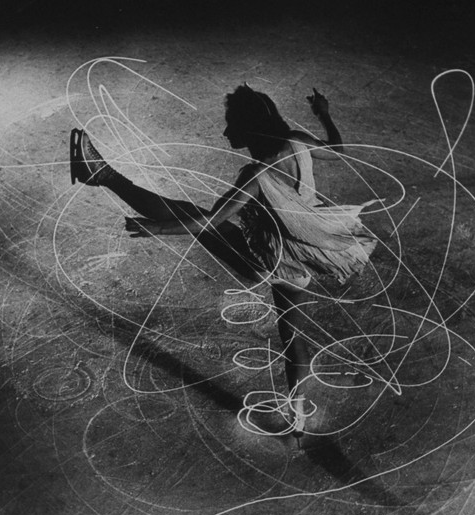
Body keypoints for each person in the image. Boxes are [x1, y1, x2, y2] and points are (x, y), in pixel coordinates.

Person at [69, 84, 377, 442]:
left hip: (264, 258)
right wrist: (323, 113)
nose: (226, 132)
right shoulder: (296, 140)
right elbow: (339, 151)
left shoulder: (257, 175)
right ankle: (298, 420)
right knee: (294, 337)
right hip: (304, 252)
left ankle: (102, 174)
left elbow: (208, 222)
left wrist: (159, 228)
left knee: (188, 212)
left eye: (232, 124)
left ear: (249, 125)